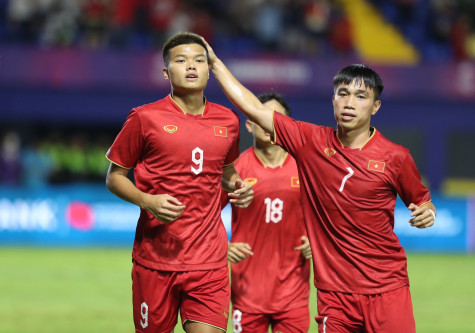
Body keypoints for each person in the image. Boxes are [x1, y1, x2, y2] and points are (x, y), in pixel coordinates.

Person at [204, 39, 436, 333]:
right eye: (343, 94)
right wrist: (214, 64)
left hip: (386, 288)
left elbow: (421, 201)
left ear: (375, 106)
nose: (350, 103)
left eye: (361, 96)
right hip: (334, 296)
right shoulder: (310, 142)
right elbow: (253, 108)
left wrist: (427, 212)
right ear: (333, 100)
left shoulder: (396, 157)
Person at [105, 32, 254, 333]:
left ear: (209, 70)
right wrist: (148, 201)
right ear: (166, 71)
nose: (191, 66)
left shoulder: (228, 121)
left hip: (209, 260)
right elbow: (114, 177)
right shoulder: (145, 118)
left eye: (199, 60)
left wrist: (238, 185)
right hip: (156, 259)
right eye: (182, 60)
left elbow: (225, 173)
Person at [223, 92, 312, 333]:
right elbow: (204, 212)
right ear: (250, 124)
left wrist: (318, 241)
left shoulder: (307, 170)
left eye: (276, 117)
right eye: (260, 116)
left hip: (294, 293)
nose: (268, 122)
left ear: (288, 125)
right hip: (247, 292)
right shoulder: (235, 170)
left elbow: (332, 215)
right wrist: (222, 244)